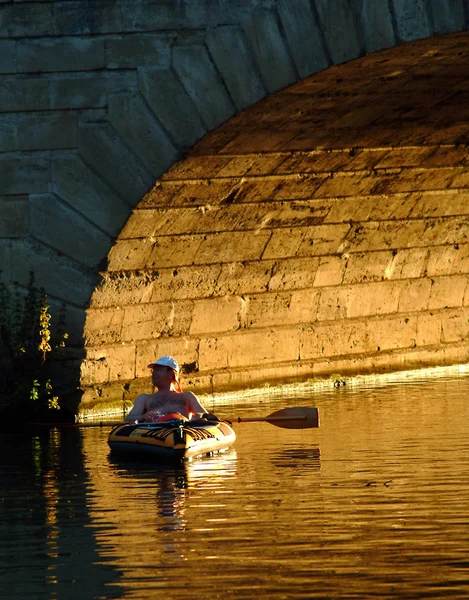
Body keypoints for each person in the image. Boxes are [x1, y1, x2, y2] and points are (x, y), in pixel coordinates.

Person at [125, 355, 210, 423]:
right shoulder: (144, 398)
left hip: (183, 432)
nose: (154, 373)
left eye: (158, 370)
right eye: (153, 371)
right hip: (155, 433)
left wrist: (194, 417)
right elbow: (129, 419)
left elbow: (205, 415)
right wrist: (143, 417)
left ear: (171, 374)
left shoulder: (187, 396)